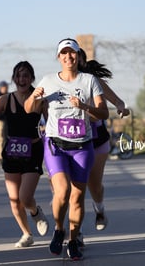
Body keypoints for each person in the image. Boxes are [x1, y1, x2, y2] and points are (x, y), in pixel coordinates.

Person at [24, 38, 109, 260]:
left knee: (78, 196)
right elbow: (28, 109)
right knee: (62, 192)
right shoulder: (49, 81)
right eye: (64, 53)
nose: (68, 57)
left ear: (78, 55)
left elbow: (103, 113)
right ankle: (59, 229)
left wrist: (84, 106)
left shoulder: (90, 81)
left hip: (82, 146)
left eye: (72, 53)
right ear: (58, 57)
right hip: (56, 145)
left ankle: (73, 239)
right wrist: (34, 96)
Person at [0, 61, 49, 247]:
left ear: (32, 78)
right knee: (14, 200)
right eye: (18, 76)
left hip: (32, 150)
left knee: (25, 197)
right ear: (13, 78)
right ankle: (26, 234)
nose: (21, 79)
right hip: (12, 152)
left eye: (25, 76)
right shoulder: (4, 100)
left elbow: (51, 123)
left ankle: (35, 212)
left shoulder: (40, 100)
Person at [76, 48, 129, 247]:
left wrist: (121, 107)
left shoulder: (94, 81)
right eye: (68, 56)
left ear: (82, 59)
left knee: (94, 186)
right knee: (76, 188)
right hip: (73, 140)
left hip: (97, 139)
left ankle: (99, 210)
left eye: (76, 56)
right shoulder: (61, 82)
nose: (72, 60)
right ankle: (77, 233)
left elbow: (117, 101)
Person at [0, 80, 9, 162]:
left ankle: (3, 155)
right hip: (0, 120)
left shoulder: (8, 96)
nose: (5, 89)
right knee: (1, 139)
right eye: (3, 87)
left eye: (6, 87)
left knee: (5, 139)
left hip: (6, 120)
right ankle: (0, 157)